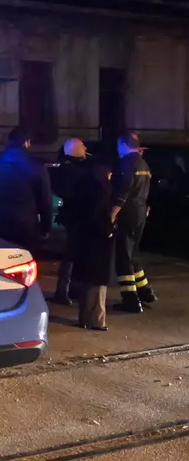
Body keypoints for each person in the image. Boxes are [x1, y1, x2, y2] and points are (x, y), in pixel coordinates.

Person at [0, 127, 54, 250]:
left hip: (1, 225)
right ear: (26, 142)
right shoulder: (36, 166)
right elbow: (45, 200)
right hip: (27, 226)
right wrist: (45, 228)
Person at [111, 131, 153, 313]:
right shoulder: (143, 163)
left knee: (123, 257)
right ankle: (144, 291)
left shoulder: (127, 163)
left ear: (123, 144)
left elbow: (123, 191)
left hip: (127, 214)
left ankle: (131, 300)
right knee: (133, 253)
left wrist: (113, 213)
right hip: (141, 213)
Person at [71, 163, 114, 331]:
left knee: (88, 282)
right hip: (98, 243)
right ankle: (97, 320)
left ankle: (86, 318)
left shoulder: (83, 190)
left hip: (85, 241)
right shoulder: (101, 192)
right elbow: (99, 216)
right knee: (98, 284)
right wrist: (108, 231)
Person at [51, 138, 92, 305]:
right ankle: (64, 291)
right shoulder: (70, 169)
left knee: (75, 254)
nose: (85, 148)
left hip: (75, 215)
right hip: (75, 216)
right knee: (71, 254)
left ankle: (70, 289)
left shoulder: (70, 167)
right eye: (82, 146)